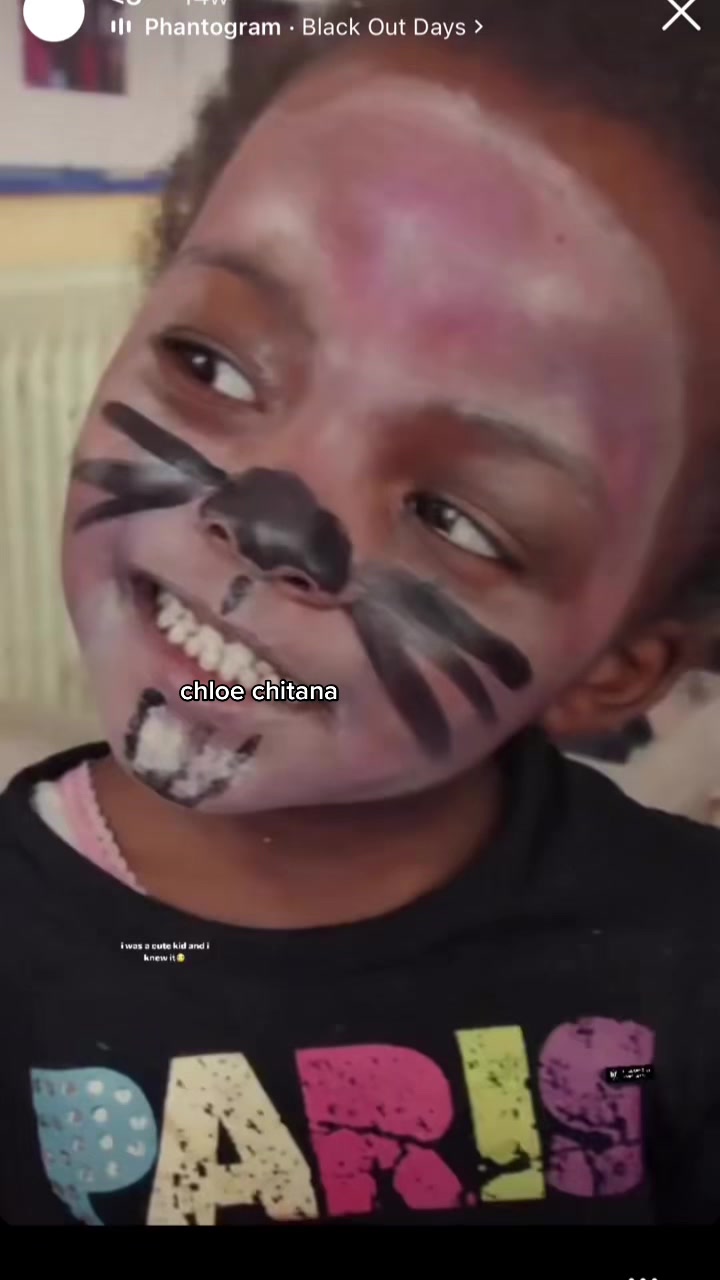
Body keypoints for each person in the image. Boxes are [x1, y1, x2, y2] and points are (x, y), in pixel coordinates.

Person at [2, 0, 720, 1227]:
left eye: (456, 517)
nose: (270, 520)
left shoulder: (690, 953)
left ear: (616, 666)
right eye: (211, 363)